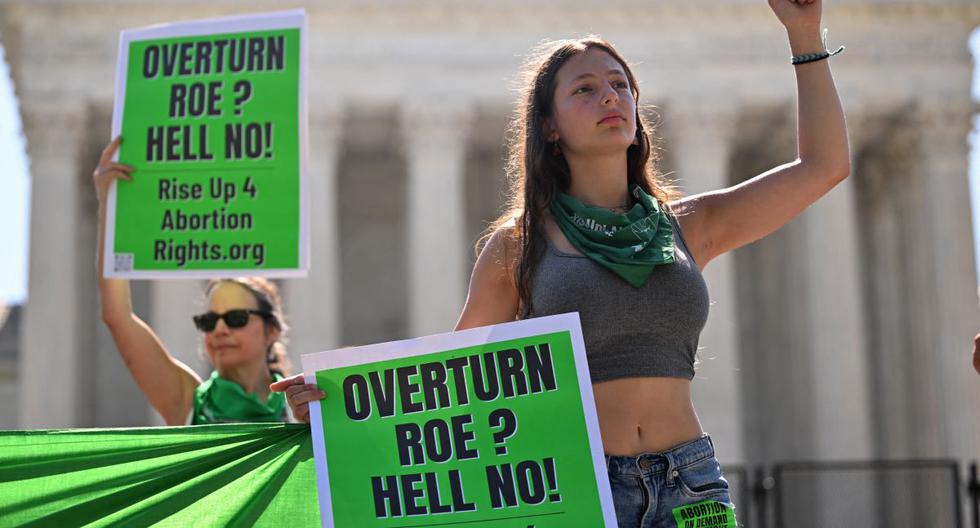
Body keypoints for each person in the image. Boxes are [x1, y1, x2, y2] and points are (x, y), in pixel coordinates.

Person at [274, 0, 848, 524]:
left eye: (621, 85)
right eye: (585, 89)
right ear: (548, 126)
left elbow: (823, 166)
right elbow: (451, 375)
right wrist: (341, 405)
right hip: (580, 485)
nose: (609, 97)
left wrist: (804, 34)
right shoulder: (518, 245)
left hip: (692, 482)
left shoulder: (688, 225)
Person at [94, 137, 291, 425]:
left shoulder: (302, 408)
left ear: (271, 330)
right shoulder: (188, 401)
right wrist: (110, 207)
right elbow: (117, 316)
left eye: (236, 318)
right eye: (208, 322)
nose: (220, 330)